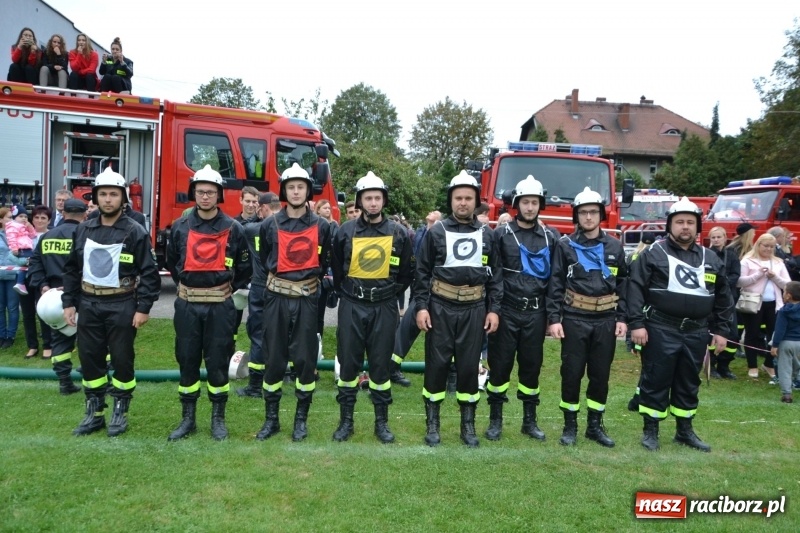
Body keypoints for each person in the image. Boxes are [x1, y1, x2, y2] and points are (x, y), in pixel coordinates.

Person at [628, 197, 734, 452]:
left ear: (698, 227)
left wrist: (721, 331)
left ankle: (684, 431)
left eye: (690, 222)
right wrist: (636, 325)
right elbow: (634, 289)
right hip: (660, 329)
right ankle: (650, 430)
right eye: (679, 222)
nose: (685, 227)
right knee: (656, 379)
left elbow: (723, 297)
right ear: (670, 225)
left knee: (689, 381)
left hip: (696, 332)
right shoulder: (653, 253)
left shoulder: (711, 258)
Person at [63, 167, 161, 437]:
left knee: (122, 358)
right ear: (95, 197)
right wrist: (69, 302)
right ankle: (94, 412)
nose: (108, 199)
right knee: (90, 358)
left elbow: (150, 274)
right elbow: (72, 269)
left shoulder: (135, 232)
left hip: (122, 303)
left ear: (123, 198)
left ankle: (120, 410)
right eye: (103, 194)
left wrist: (143, 308)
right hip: (89, 303)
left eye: (113, 194)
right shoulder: (83, 230)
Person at [413, 170, 502, 448]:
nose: (463, 203)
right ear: (451, 200)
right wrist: (421, 308)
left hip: (474, 310)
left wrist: (494, 309)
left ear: (476, 201)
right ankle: (433, 424)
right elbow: (422, 273)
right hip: (440, 308)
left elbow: (496, 276)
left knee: (467, 368)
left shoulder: (488, 234)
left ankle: (468, 426)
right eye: (458, 198)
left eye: (468, 198)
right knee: (437, 367)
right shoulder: (436, 232)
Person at [166, 165, 251, 441]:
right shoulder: (180, 226)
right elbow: (172, 262)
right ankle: (188, 419)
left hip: (220, 307)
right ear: (194, 193)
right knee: (187, 360)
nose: (205, 197)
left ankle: (218, 419)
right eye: (200, 191)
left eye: (210, 192)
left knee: (217, 361)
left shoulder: (234, 228)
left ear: (219, 195)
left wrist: (225, 288)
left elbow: (245, 267)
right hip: (187, 306)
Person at [330, 171, 412, 443]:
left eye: (377, 198)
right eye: (368, 198)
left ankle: (381, 424)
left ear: (383, 200)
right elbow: (336, 269)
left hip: (384, 307)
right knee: (349, 364)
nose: (373, 203)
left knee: (380, 366)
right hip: (352, 305)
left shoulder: (399, 233)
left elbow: (406, 275)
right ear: (360, 200)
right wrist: (351, 293)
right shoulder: (345, 231)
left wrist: (386, 294)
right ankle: (346, 422)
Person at [254, 163, 332, 442]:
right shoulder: (268, 224)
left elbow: (324, 263)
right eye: (291, 187)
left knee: (304, 359)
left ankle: (301, 420)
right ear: (284, 191)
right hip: (276, 298)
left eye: (301, 186)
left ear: (308, 190)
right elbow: (265, 260)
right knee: (273, 358)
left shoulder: (323, 226)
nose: (296, 191)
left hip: (308, 300)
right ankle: (271, 419)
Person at [547, 187, 628, 448]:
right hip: (574, 318)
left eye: (594, 212)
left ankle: (595, 425)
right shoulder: (564, 246)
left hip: (605, 319)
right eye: (584, 212)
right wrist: (554, 319)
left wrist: (623, 318)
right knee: (571, 373)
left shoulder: (615, 246)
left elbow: (624, 284)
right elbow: (555, 283)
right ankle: (570, 425)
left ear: (601, 215)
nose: (589, 217)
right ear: (577, 216)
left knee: (600, 375)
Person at [486, 175, 559, 442]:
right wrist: (493, 309)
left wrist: (553, 317)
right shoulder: (501, 235)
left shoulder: (552, 237)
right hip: (507, 311)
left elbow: (555, 281)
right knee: (500, 367)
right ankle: (495, 421)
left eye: (534, 202)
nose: (530, 207)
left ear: (541, 205)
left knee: (531, 367)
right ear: (517, 204)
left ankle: (530, 422)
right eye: (525, 202)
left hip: (536, 314)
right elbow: (494, 276)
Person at [26, 200, 86, 394]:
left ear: (63, 213)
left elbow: (34, 264)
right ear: (84, 214)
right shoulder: (85, 235)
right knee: (90, 336)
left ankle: (64, 382)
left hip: (52, 296)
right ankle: (92, 376)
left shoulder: (47, 236)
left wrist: (42, 285)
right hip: (80, 294)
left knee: (60, 339)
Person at [389, 210, 443, 388]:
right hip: (421, 288)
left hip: (442, 293)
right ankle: (392, 367)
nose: (432, 212)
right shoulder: (421, 232)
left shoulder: (443, 233)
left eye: (436, 212)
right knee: (406, 330)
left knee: (442, 337)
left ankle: (449, 376)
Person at [236, 193, 278, 398]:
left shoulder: (253, 228)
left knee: (258, 335)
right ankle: (282, 377)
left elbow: (242, 225)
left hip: (261, 287)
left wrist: (255, 214)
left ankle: (254, 385)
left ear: (263, 208)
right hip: (285, 288)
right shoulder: (289, 227)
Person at [738, 232, 791, 381]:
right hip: (752, 303)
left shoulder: (779, 262)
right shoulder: (747, 261)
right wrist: (757, 275)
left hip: (775, 304)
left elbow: (787, 285)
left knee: (774, 335)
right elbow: (739, 282)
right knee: (752, 334)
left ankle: (769, 364)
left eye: (772, 247)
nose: (768, 249)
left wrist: (775, 277)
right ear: (758, 245)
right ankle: (752, 365)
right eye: (766, 246)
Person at [20, 205, 54, 359]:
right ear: (31, 219)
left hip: (42, 280)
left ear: (49, 220)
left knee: (43, 312)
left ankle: (48, 345)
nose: (39, 221)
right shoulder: (24, 235)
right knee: (28, 313)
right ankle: (32, 346)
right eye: (36, 217)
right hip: (23, 279)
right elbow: (13, 253)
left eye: (43, 218)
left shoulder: (52, 236)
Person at [707, 226, 740, 379]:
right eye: (713, 237)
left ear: (725, 238)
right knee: (712, 332)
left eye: (719, 237)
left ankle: (724, 366)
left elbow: (736, 274)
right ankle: (711, 364)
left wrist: (724, 283)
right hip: (711, 298)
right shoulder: (706, 255)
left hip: (729, 299)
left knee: (732, 334)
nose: (716, 240)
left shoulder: (732, 255)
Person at [0, 207, 28, 348]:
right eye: (8, 217)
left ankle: (10, 336)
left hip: (13, 275)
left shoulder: (18, 234)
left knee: (12, 307)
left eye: (12, 217)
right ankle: (1, 335)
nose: (11, 220)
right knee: (0, 307)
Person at [771, 281, 800, 403]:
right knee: (797, 366)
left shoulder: (783, 311)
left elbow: (779, 330)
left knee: (785, 369)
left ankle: (787, 394)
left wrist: (775, 345)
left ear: (788, 295)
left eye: (784, 291)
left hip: (786, 343)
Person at [6, 204, 37, 295]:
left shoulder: (24, 227)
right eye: (20, 216)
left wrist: (30, 226)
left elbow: (33, 235)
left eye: (26, 217)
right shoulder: (13, 226)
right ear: (14, 217)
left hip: (26, 247)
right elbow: (11, 238)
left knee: (25, 265)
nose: (24, 218)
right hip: (21, 248)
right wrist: (14, 248)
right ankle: (20, 283)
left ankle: (21, 282)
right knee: (26, 263)